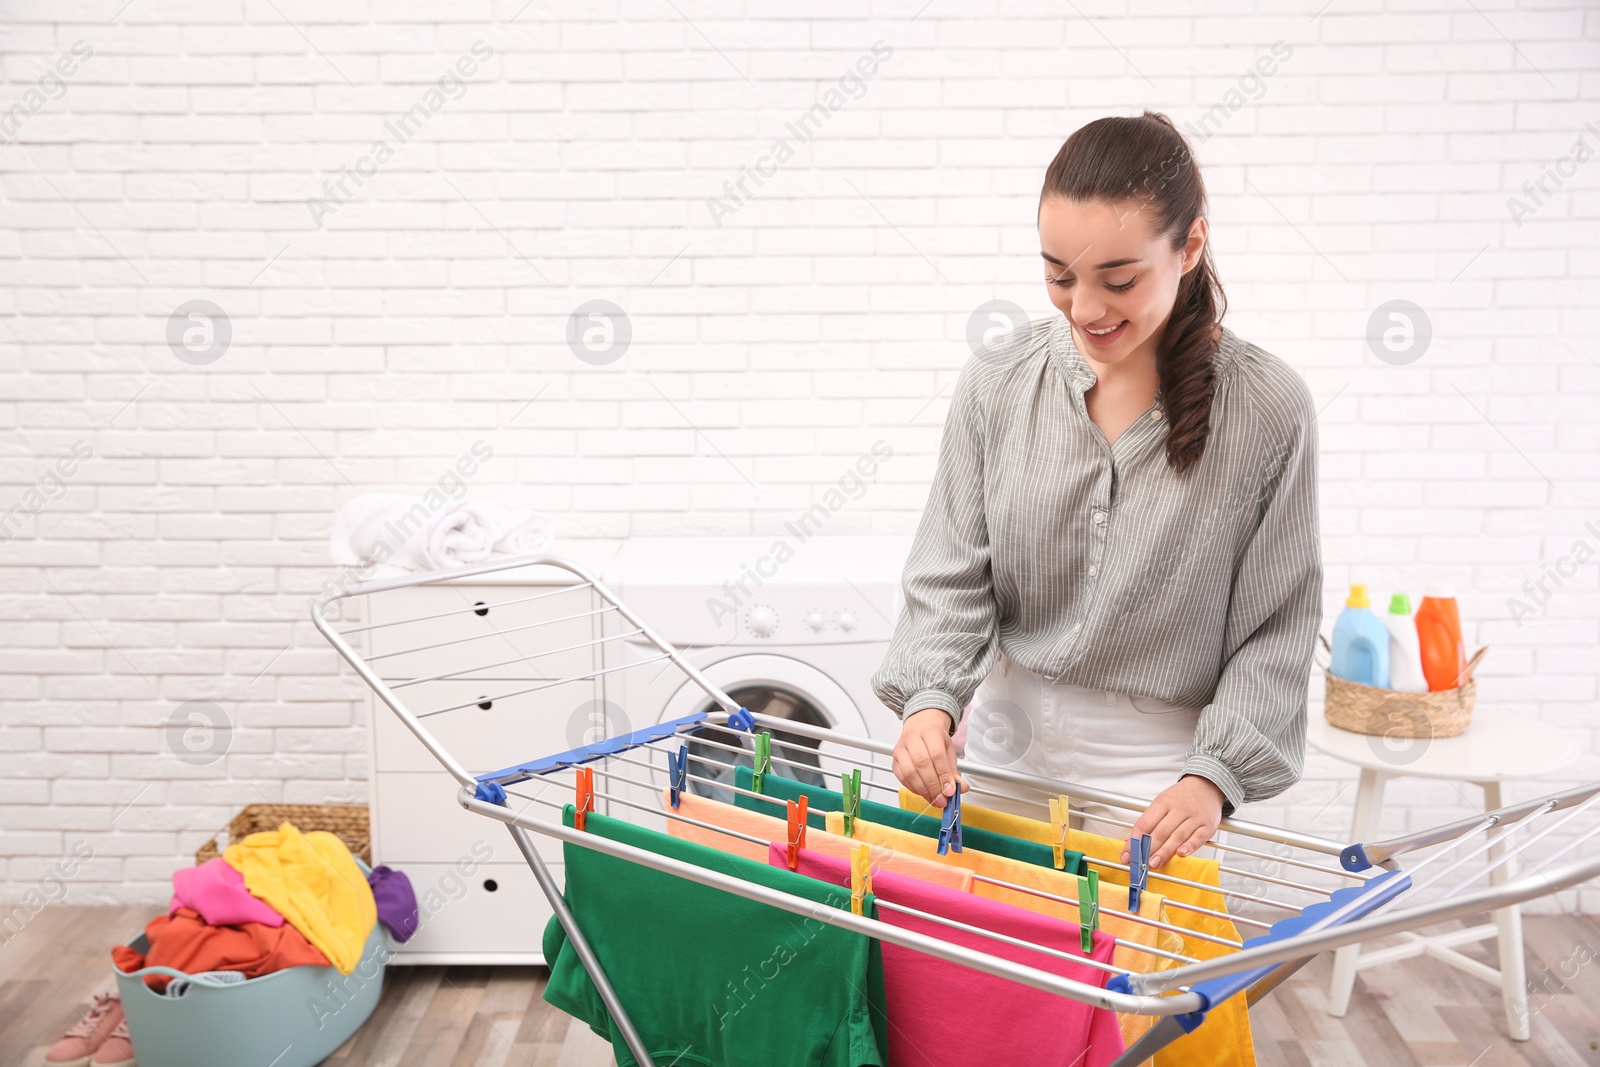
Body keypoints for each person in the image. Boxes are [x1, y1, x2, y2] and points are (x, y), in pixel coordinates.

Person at [873, 110, 1322, 870]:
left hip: (1160, 770)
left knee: (1135, 981)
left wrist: (1212, 778)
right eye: (1058, 275)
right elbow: (952, 572)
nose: (1084, 308)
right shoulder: (999, 380)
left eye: (1119, 280)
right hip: (999, 741)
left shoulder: (1269, 408)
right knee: (982, 971)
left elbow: (1275, 628)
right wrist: (929, 702)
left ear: (1191, 246)